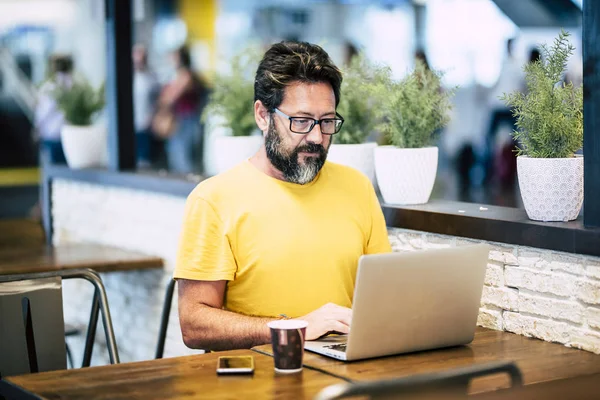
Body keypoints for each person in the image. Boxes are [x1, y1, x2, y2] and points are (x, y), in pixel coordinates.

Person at [175, 41, 392, 351]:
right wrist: (293, 328)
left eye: (327, 122)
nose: (317, 137)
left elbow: (382, 295)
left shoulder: (357, 187)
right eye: (301, 122)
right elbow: (194, 324)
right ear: (263, 115)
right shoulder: (213, 200)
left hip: (345, 373)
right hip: (259, 378)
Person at [157, 46, 205, 174]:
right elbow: (165, 98)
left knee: (185, 158)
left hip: (188, 120)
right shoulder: (176, 75)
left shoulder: (187, 75)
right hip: (179, 120)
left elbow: (171, 96)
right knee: (177, 156)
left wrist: (169, 91)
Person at [34, 55, 73, 164]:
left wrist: (36, 129)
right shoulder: (74, 84)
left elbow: (43, 113)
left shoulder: (50, 87)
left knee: (53, 171)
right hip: (71, 135)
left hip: (52, 136)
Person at [132, 44, 159, 168]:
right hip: (131, 126)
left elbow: (157, 100)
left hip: (146, 125)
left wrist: (152, 117)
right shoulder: (127, 77)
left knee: (145, 162)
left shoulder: (151, 78)